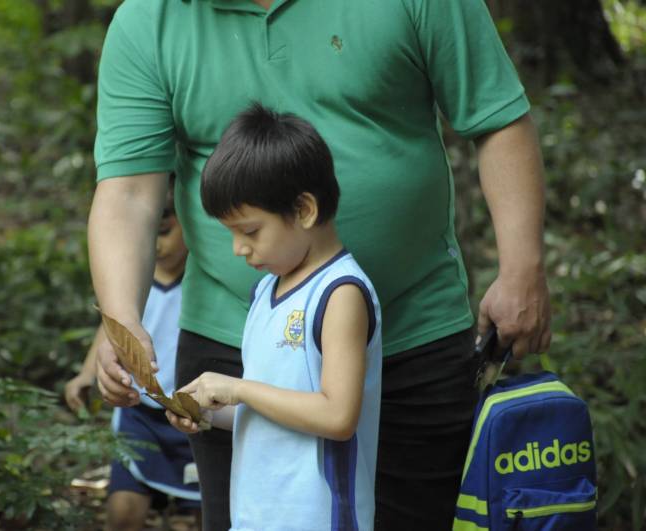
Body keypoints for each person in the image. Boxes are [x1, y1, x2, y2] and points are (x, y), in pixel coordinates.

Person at [89, 1, 551, 529]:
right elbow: (127, 191)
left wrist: (522, 270)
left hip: (412, 333)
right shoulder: (152, 17)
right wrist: (121, 317)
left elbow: (497, 119)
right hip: (231, 335)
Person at [167, 103, 382, 531]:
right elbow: (269, 408)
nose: (238, 249)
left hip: (317, 518)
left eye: (250, 232)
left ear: (304, 210)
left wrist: (238, 388)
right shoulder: (266, 290)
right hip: (256, 515)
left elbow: (337, 417)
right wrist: (208, 412)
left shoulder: (339, 294)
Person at [66, 177, 200, 531]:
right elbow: (111, 330)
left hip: (194, 413)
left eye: (165, 231)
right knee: (124, 511)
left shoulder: (205, 280)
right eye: (149, 234)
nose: (156, 245)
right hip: (139, 411)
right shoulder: (131, 284)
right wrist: (86, 374)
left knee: (206, 513)